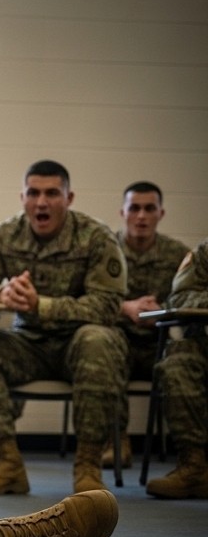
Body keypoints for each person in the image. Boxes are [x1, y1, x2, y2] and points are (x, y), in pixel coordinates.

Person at [0, 159, 128, 496]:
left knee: (98, 341)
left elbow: (108, 306)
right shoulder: (3, 236)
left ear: (69, 198)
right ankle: (6, 465)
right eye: (33, 193)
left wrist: (41, 305)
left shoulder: (96, 237)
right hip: (28, 344)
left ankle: (88, 468)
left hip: (78, 343)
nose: (41, 202)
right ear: (22, 197)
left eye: (52, 193)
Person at [107, 181, 190, 470]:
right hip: (118, 339)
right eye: (134, 208)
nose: (141, 216)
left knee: (185, 361)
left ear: (160, 213)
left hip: (159, 342)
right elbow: (86, 297)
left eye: (149, 209)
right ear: (123, 212)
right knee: (103, 352)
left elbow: (191, 298)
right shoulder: (106, 250)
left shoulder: (177, 255)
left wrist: (164, 311)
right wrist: (125, 308)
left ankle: (191, 457)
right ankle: (115, 442)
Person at [147, 238, 208, 499]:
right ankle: (194, 467)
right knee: (176, 363)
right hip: (204, 345)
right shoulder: (204, 253)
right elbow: (180, 296)